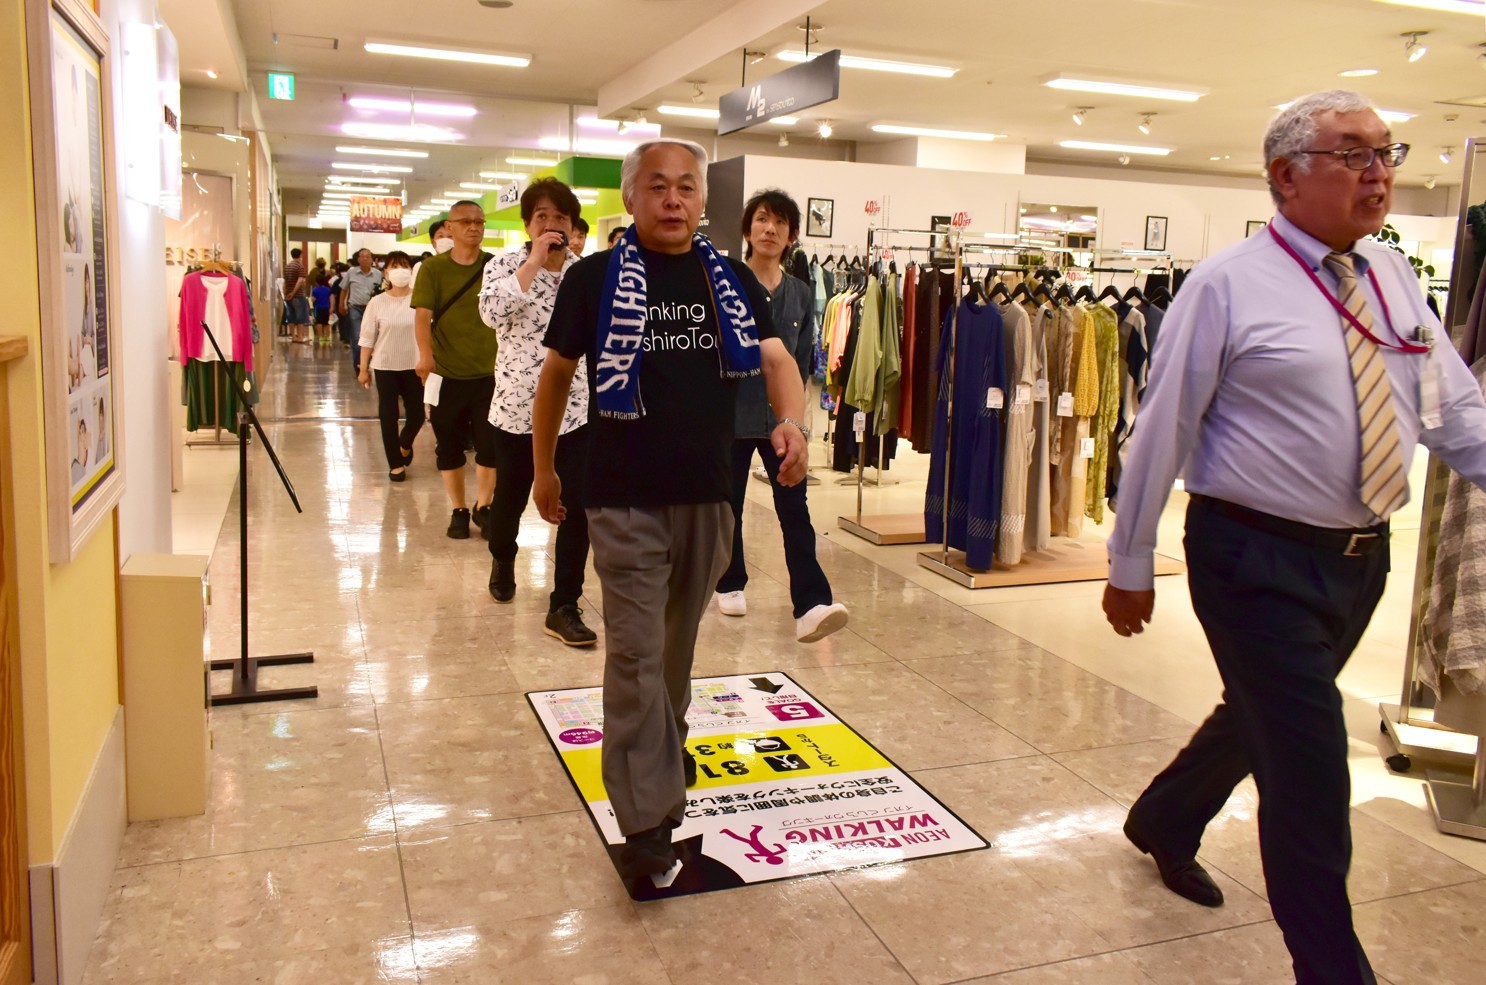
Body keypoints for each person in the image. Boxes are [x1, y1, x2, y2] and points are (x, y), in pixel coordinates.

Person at [1103, 90, 1486, 985]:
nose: (1380, 170)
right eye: (1353, 153)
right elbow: (1164, 425)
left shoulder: (1391, 277)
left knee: (1268, 717)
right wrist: (1129, 562)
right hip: (1251, 557)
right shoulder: (1226, 284)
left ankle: (1166, 814)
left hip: (1360, 560)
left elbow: (1454, 410)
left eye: (1385, 152)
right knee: (1310, 775)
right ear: (1286, 176)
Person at [532, 138, 808, 882]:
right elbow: (556, 376)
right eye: (658, 186)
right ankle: (646, 814)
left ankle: (660, 760)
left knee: (675, 659)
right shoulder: (592, 279)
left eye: (687, 186)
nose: (674, 199)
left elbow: (778, 360)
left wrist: (792, 421)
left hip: (707, 498)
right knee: (635, 658)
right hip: (621, 498)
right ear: (631, 197)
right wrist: (545, 467)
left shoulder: (729, 279)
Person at [715, 189, 848, 642]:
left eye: (780, 223)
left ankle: (812, 602)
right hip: (729, 416)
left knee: (794, 509)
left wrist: (802, 428)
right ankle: (729, 582)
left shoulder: (802, 293)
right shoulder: (725, 284)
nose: (770, 229)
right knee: (727, 507)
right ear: (748, 229)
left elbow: (801, 362)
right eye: (762, 220)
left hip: (781, 423)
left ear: (791, 235)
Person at [477, 178, 595, 645]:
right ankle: (503, 557)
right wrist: (531, 263)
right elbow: (491, 313)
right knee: (511, 496)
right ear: (528, 223)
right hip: (514, 408)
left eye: (561, 218)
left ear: (572, 225)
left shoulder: (585, 272)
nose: (552, 225)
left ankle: (564, 602)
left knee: (577, 507)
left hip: (576, 409)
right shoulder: (505, 265)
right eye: (542, 216)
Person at [412, 200, 498, 540]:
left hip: (492, 373)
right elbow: (422, 315)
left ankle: (485, 506)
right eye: (466, 222)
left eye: (479, 221)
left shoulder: (496, 266)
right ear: (449, 227)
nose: (474, 227)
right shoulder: (434, 269)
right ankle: (459, 509)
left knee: (491, 447)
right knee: (448, 446)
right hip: (446, 373)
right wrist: (424, 355)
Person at [358, 251, 424, 482]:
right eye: (394, 266)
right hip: (385, 366)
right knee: (388, 415)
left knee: (417, 416)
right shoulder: (377, 303)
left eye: (404, 265)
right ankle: (395, 463)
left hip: (414, 366)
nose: (399, 270)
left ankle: (404, 444)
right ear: (386, 272)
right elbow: (367, 338)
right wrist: (363, 368)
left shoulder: (420, 299)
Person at [341, 248, 381, 369]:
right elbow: (344, 289)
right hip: (355, 308)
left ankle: (367, 363)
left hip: (373, 309)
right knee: (357, 336)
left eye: (368, 256)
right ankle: (359, 365)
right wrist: (341, 305)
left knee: (373, 337)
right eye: (362, 256)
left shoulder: (378, 274)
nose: (365, 259)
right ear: (358, 259)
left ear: (372, 259)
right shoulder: (351, 272)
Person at [283, 248, 309, 343]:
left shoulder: (287, 266)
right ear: (301, 255)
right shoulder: (299, 266)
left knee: (291, 316)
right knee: (300, 316)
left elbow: (285, 281)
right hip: (298, 295)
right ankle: (300, 337)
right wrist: (293, 293)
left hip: (288, 295)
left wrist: (287, 293)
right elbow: (300, 280)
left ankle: (293, 336)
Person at [310, 272, 331, 345]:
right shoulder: (328, 289)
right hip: (327, 307)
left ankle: (321, 337)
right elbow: (330, 298)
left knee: (319, 322)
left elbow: (313, 299)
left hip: (318, 307)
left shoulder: (315, 290)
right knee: (326, 323)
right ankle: (327, 337)